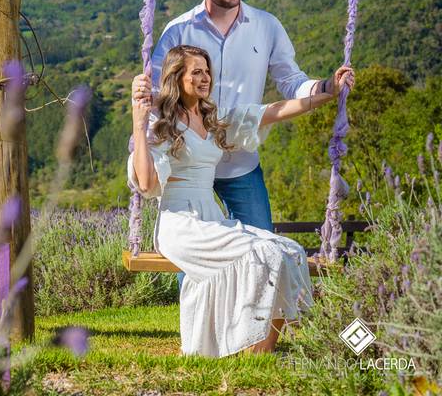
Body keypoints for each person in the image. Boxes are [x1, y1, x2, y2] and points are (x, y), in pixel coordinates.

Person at [129, 44, 354, 357]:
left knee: (289, 251)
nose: (205, 78)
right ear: (177, 77)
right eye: (196, 72)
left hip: (211, 218)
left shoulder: (212, 120)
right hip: (181, 224)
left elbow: (271, 111)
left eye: (207, 71)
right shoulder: (163, 125)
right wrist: (139, 124)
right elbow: (146, 183)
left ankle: (261, 351)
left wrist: (328, 92)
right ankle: (251, 349)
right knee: (266, 253)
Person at [150, 0, 336, 234]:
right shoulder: (178, 31)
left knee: (260, 239)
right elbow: (157, 93)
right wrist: (146, 143)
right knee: (192, 247)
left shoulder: (266, 26)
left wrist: (325, 87)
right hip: (187, 160)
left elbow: (291, 81)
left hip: (239, 163)